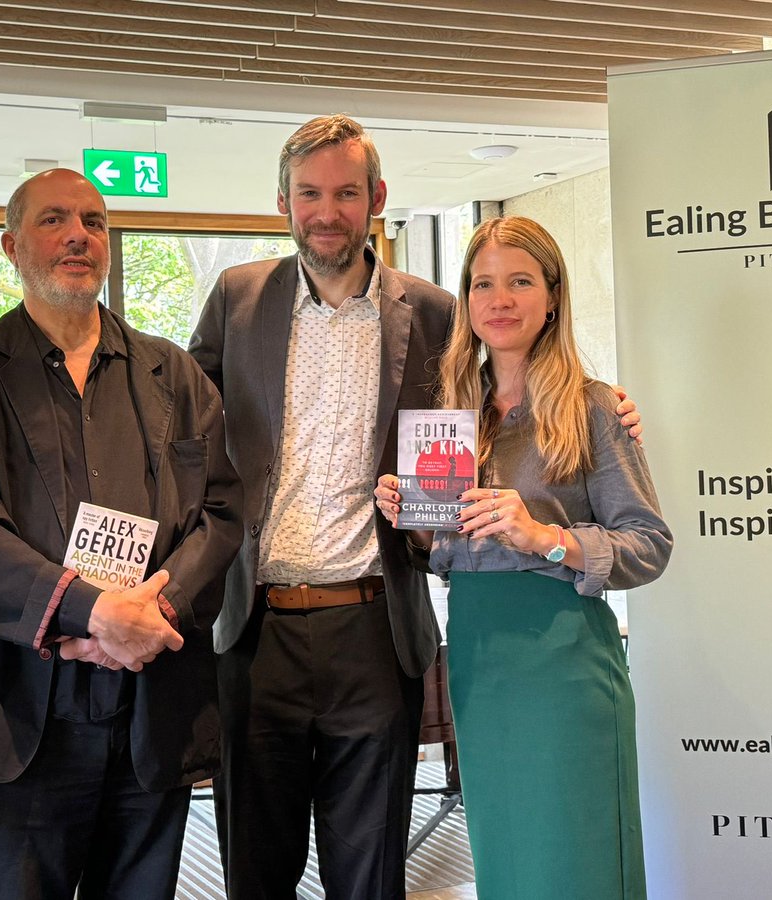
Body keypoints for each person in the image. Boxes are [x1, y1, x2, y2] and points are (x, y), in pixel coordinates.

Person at [189, 115, 643, 898]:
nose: (326, 211)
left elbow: (508, 383)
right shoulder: (236, 298)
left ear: (377, 198)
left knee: (369, 873)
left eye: (345, 192)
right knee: (253, 868)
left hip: (375, 623)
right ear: (282, 202)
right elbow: (183, 425)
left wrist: (613, 412)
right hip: (254, 626)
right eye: (309, 194)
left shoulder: (436, 312)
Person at [0, 168, 243, 900]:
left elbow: (221, 514)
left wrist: (146, 618)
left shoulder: (177, 375)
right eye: (55, 220)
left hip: (150, 704)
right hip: (23, 707)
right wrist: (94, 612)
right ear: (11, 245)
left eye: (94, 222)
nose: (79, 236)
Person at [375, 215, 673, 899]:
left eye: (519, 281)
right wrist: (414, 522)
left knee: (576, 860)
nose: (499, 299)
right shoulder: (454, 413)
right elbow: (445, 554)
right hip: (479, 660)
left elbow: (650, 546)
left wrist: (546, 536)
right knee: (507, 863)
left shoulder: (595, 409)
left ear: (552, 297)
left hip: (566, 661)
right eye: (483, 283)